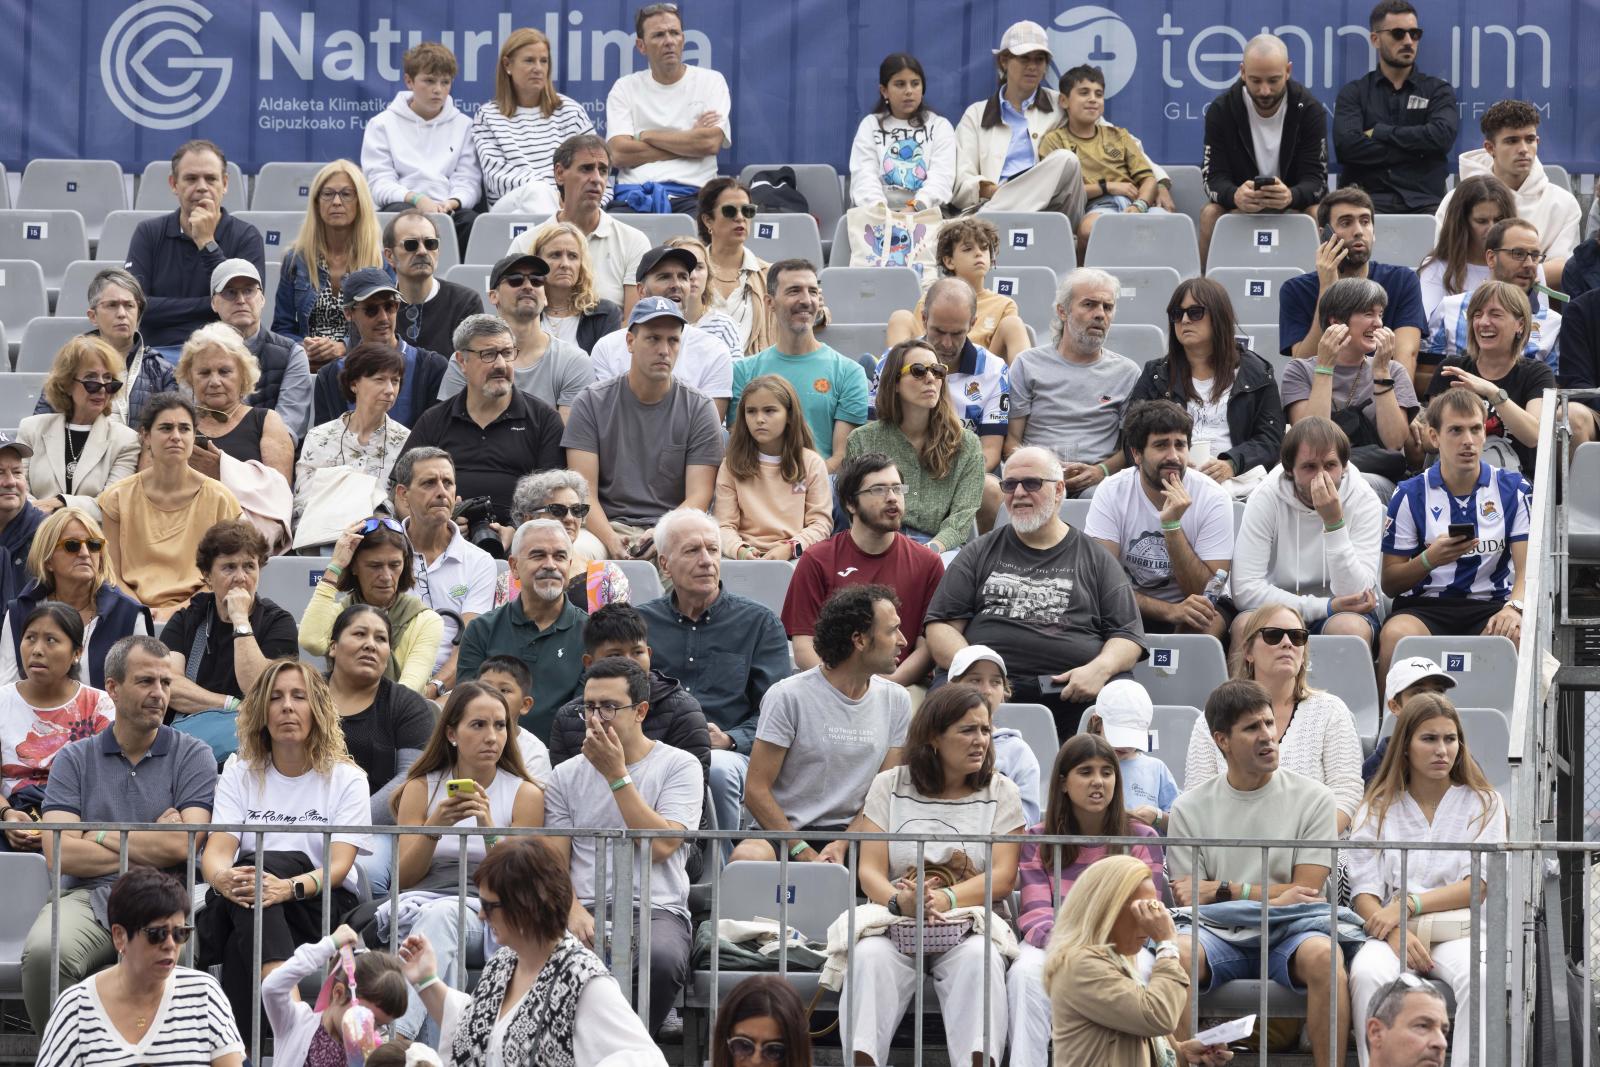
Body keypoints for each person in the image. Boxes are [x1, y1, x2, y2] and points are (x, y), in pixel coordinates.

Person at [22, 637, 215, 1032]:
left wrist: (94, 834)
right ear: (113, 687)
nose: (159, 694)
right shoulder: (75, 758)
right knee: (45, 954)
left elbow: (183, 843)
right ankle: (71, 1053)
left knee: (186, 957)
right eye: (146, 681)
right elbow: (60, 854)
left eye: (166, 683)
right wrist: (149, 841)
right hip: (87, 895)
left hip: (169, 894)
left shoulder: (194, 754)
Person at [1168, 679, 1350, 1067]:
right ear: (1222, 740)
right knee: (1176, 955)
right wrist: (1271, 894)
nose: (1268, 736)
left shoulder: (1316, 798)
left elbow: (1306, 891)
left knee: (1325, 957)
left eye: (1270, 723)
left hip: (1290, 929)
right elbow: (1187, 897)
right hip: (1218, 934)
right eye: (1252, 728)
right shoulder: (1188, 808)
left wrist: (1225, 889)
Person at [844, 683, 1025, 1067]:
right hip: (898, 921)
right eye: (967, 730)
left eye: (985, 730)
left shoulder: (1002, 790)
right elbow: (869, 870)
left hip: (970, 924)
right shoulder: (889, 784)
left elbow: (1005, 875)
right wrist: (900, 901)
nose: (980, 741)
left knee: (980, 960)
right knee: (869, 959)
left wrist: (947, 899)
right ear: (933, 737)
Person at [198, 660, 368, 1035]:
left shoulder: (347, 779)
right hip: (245, 898)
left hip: (318, 906)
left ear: (317, 709)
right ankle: (291, 1022)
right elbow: (217, 851)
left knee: (255, 891)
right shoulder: (239, 772)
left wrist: (285, 887)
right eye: (275, 698)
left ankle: (246, 1052)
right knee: (252, 882)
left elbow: (338, 868)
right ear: (261, 711)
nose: (287, 706)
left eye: (299, 697)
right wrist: (223, 879)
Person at [926, 446, 1145, 736]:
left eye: (1031, 483)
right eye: (1009, 484)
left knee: (1121, 696)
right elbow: (940, 626)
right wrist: (980, 674)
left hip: (1072, 692)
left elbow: (1127, 635)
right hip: (982, 691)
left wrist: (1100, 670)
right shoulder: (978, 552)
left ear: (1059, 491)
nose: (1018, 493)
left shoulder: (1095, 557)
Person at [397, 837, 666, 1067]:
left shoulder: (583, 979)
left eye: (489, 906)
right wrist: (426, 981)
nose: (480, 915)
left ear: (525, 905)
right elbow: (476, 1031)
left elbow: (642, 1059)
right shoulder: (503, 962)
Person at [545, 655, 702, 1035]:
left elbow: (663, 846)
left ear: (641, 711)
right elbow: (553, 862)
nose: (596, 718)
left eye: (610, 707)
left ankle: (619, 1051)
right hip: (584, 906)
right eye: (589, 707)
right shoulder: (564, 776)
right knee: (547, 958)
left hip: (656, 908)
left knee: (661, 959)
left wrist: (617, 775)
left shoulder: (679, 765)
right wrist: (572, 909)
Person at [1348, 692, 1505, 1067]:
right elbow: (1363, 893)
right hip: (1393, 932)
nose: (1442, 750)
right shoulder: (1378, 804)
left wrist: (1408, 905)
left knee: (1480, 976)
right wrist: (1395, 930)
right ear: (1405, 747)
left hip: (1460, 931)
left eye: (1450, 739)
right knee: (1366, 973)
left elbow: (1478, 885)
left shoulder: (1485, 802)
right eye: (1429, 739)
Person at [385, 681, 543, 1040]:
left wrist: (488, 827)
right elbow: (404, 878)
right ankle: (445, 1055)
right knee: (440, 928)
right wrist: (434, 828)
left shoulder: (525, 792)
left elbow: (521, 883)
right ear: (452, 733)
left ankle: (397, 1041)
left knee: (441, 920)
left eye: (500, 725)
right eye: (479, 725)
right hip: (426, 901)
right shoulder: (421, 787)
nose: (492, 736)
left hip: (495, 911)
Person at [638, 508, 792, 837]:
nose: (707, 560)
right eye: (692, 550)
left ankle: (720, 881)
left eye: (712, 549)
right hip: (654, 748)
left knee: (716, 769)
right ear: (664, 564)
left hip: (727, 754)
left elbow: (776, 711)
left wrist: (731, 739)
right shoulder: (640, 625)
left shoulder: (759, 623)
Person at [732, 584, 911, 864]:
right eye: (891, 630)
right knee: (746, 858)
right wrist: (800, 850)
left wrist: (843, 844)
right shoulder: (787, 695)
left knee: (904, 862)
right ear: (859, 640)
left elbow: (883, 792)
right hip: (784, 832)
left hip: (857, 834)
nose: (902, 640)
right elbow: (756, 790)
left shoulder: (898, 700)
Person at [1378, 388, 1531, 678]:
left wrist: (1514, 607)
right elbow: (1390, 583)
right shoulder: (1410, 494)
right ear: (1434, 437)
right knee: (1395, 636)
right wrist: (1429, 560)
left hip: (1490, 606)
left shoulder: (1513, 489)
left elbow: (1526, 570)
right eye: (1456, 431)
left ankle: (1515, 724)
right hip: (1424, 608)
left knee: (1518, 635)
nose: (1468, 441)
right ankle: (1391, 721)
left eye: (1476, 429)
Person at [564, 297, 724, 560]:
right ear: (630, 342)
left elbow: (700, 494)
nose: (664, 349)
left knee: (698, 562)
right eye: (653, 338)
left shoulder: (698, 407)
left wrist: (662, 532)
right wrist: (611, 540)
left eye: (673, 340)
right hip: (604, 527)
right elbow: (583, 493)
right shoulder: (591, 402)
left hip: (675, 527)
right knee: (574, 554)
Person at [34, 867, 244, 1067]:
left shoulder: (204, 993)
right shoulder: (76, 1006)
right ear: (119, 936)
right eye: (157, 934)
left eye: (181, 933)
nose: (170, 944)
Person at [1040, 854, 1231, 1067]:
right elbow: (1158, 1017)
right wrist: (1167, 943)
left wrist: (1180, 1053)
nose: (1148, 923)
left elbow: (1133, 1034)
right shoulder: (1080, 965)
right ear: (1107, 910)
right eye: (1142, 911)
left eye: (1153, 910)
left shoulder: (1118, 961)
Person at [1189, 604, 1366, 827]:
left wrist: (1297, 848)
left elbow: (1346, 795)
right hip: (1231, 849)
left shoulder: (1331, 711)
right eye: (1273, 635)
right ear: (1248, 652)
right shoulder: (1214, 716)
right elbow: (1197, 799)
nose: (1287, 643)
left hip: (1317, 851)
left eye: (1297, 637)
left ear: (1304, 654)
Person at [781, 453, 943, 685]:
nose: (892, 498)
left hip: (904, 688)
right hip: (831, 687)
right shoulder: (817, 559)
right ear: (849, 502)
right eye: (878, 490)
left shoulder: (928, 563)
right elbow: (804, 646)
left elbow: (927, 648)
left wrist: (887, 687)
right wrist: (845, 685)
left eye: (897, 489)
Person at [1085, 400, 1235, 640]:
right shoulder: (1112, 491)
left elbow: (1206, 592)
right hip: (1129, 601)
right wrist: (1170, 611)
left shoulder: (1213, 497)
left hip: (1197, 604)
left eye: (1180, 445)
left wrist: (1172, 527)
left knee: (1203, 621)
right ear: (1136, 453)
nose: (1173, 456)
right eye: (1161, 445)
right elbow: (1102, 584)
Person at [1232, 417, 1385, 644]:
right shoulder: (1266, 496)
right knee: (1245, 626)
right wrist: (1325, 607)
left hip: (1343, 611)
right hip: (1279, 604)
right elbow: (1245, 590)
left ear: (1343, 467)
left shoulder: (1363, 498)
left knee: (1349, 629)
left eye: (1330, 465)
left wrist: (1334, 524)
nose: (1321, 477)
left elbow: (1356, 593)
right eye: (1309, 467)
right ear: (1289, 470)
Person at [403, 313, 566, 525]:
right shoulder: (434, 421)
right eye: (488, 354)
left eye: (507, 353)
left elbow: (554, 500)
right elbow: (402, 494)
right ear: (462, 361)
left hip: (522, 543)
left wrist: (519, 534)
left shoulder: (544, 421)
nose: (500, 364)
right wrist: (440, 527)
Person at [1423, 279, 1592, 474]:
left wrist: (1493, 392)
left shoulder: (1536, 374)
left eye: (1495, 314)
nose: (1484, 322)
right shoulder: (1452, 369)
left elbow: (1534, 435)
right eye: (1477, 315)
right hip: (1455, 482)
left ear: (1520, 324)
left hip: (1514, 490)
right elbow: (1429, 441)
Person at [98, 394, 241, 621]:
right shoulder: (116, 497)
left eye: (184, 429)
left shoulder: (221, 499)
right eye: (165, 428)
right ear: (145, 435)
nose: (176, 436)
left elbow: (226, 572)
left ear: (194, 436)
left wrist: (174, 612)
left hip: (201, 614)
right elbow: (111, 573)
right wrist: (140, 611)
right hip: (129, 612)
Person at [1128, 277, 1285, 482]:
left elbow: (1270, 440)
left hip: (1236, 481)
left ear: (1218, 316)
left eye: (1195, 312)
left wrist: (1232, 463)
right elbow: (1132, 436)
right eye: (1177, 313)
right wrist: (1171, 462)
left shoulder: (1257, 373)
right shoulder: (1156, 374)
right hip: (1169, 478)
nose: (1184, 320)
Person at [1004, 268, 1139, 494]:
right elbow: (1011, 441)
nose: (1100, 314)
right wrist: (1040, 471)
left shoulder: (1127, 372)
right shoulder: (1027, 364)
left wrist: (1101, 471)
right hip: (1036, 480)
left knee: (1100, 496)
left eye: (1107, 307)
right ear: (1062, 311)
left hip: (1097, 482)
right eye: (1089, 304)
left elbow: (1132, 448)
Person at [1281, 276, 1421, 494]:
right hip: (1316, 475)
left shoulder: (1393, 370)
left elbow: (1394, 442)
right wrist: (1325, 367)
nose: (1378, 323)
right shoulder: (1300, 370)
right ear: (1336, 322)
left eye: (1380, 314)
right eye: (1368, 314)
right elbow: (1310, 439)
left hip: (1376, 479)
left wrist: (1381, 372)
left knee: (1350, 484)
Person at [846, 339, 986, 554]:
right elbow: (857, 510)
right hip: (877, 543)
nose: (930, 378)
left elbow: (961, 519)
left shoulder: (967, 444)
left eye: (937, 371)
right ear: (895, 383)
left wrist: (930, 550)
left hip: (939, 548)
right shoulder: (862, 440)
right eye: (918, 371)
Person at [1199, 33, 1328, 264]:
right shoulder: (1221, 110)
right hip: (1241, 206)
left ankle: (1323, 290)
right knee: (1210, 214)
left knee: (1317, 213)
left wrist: (1291, 195)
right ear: (1242, 72)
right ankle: (1205, 294)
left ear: (1288, 71)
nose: (1265, 91)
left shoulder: (1309, 109)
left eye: (1274, 80)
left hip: (1292, 206)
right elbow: (1213, 178)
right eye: (1256, 80)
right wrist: (1235, 195)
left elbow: (1317, 181)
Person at [126, 140, 265, 352]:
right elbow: (137, 307)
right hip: (157, 354)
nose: (201, 187)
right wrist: (212, 304)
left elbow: (245, 308)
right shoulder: (149, 233)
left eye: (211, 179)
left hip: (225, 354)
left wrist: (207, 242)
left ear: (225, 184)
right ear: (174, 184)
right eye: (191, 179)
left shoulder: (247, 236)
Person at [455, 520, 588, 742]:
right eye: (538, 555)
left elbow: (582, 718)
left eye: (560, 556)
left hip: (564, 758)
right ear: (514, 567)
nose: (550, 565)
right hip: (493, 756)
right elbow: (467, 709)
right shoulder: (481, 630)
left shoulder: (591, 633)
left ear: (570, 565)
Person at [730, 259, 868, 470]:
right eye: (794, 291)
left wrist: (802, 486)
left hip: (821, 490)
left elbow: (842, 458)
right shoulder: (743, 372)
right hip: (757, 489)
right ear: (770, 303)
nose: (806, 300)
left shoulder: (849, 372)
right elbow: (739, 448)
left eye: (813, 292)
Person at [1282, 187, 1428, 382]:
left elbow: (1405, 356)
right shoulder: (1296, 290)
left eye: (1365, 222)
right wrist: (1328, 288)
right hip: (1321, 396)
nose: (1359, 231)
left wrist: (1399, 406)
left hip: (1383, 393)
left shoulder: (1402, 281)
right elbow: (1303, 366)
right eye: (1346, 222)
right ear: (1324, 234)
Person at [546, 604, 711, 776]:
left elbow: (694, 798)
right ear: (589, 663)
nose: (629, 663)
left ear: (649, 654)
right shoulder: (568, 718)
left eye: (637, 652)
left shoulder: (682, 712)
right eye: (615, 655)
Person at [879, 278, 1010, 492]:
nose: (947, 344)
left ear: (973, 323)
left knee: (991, 489)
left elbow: (990, 451)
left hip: (959, 477)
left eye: (957, 333)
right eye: (938, 331)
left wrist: (946, 484)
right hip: (897, 478)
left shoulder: (994, 371)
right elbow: (875, 434)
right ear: (923, 318)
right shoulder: (889, 363)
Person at [0, 602, 115, 845]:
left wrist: (67, 828)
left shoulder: (100, 705)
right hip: (11, 816)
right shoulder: (2, 702)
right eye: (30, 638)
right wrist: (7, 816)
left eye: (51, 640)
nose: (37, 650)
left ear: (77, 653)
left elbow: (108, 780)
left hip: (80, 824)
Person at [0, 507, 153, 689]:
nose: (85, 553)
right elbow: (7, 687)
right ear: (48, 559)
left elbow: (144, 687)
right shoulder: (21, 612)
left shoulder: (128, 615)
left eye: (94, 545)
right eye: (72, 545)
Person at [1434, 100, 1581, 287]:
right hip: (1467, 304)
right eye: (1511, 141)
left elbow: (1564, 266)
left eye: (1529, 139)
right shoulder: (1454, 200)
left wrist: (1509, 278)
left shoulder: (1563, 202)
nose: (1523, 149)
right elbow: (1445, 261)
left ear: (1537, 142)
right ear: (1490, 148)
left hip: (1533, 307)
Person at [389, 448, 498, 698]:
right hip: (389, 678)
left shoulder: (480, 561)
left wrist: (432, 689)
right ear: (403, 495)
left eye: (447, 483)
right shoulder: (383, 554)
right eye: (429, 483)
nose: (441, 492)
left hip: (449, 688)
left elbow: (469, 644)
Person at [950, 20, 1087, 218]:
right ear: (1003, 61)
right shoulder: (977, 114)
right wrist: (993, 191)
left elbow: (1114, 139)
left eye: (1039, 60)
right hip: (994, 204)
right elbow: (961, 181)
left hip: (1053, 212)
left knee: (1066, 160)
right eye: (1024, 58)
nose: (1032, 66)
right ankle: (998, 212)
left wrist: (1147, 185)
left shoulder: (1063, 104)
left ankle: (990, 216)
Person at [1333, 0, 1458, 215]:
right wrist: (1419, 152)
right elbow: (1347, 146)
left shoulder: (1438, 90)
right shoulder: (1354, 93)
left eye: (1414, 33)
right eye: (1398, 33)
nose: (1408, 41)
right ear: (1375, 39)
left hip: (1425, 204)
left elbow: (1441, 136)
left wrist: (1380, 132)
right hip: (1364, 205)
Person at [161, 520, 297, 716]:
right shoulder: (186, 619)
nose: (241, 577)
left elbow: (261, 690)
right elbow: (168, 685)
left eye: (250, 566)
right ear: (207, 576)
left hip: (253, 739)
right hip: (190, 735)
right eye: (229, 567)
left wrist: (240, 618)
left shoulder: (278, 622)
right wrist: (229, 705)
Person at [604, 3, 731, 213]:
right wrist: (688, 140)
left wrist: (645, 135)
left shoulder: (711, 81)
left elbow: (709, 143)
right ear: (641, 45)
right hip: (635, 196)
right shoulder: (624, 87)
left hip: (694, 196)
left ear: (683, 39)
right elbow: (618, 154)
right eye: (659, 35)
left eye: (674, 33)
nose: (669, 41)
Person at [299, 517, 444, 693]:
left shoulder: (427, 620)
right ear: (354, 567)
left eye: (394, 565)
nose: (386, 576)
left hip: (398, 716)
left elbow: (409, 690)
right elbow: (311, 641)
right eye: (374, 566)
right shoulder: (339, 614)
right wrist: (335, 565)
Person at [506, 134, 650, 311]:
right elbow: (512, 315)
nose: (596, 179)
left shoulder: (633, 242)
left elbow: (633, 323)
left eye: (603, 170)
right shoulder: (525, 243)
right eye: (586, 169)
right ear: (559, 174)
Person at [588, 245, 736, 415]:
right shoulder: (607, 347)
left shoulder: (714, 351)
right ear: (641, 290)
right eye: (664, 277)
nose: (676, 285)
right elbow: (606, 420)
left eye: (683, 277)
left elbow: (708, 431)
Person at [362, 40, 482, 249]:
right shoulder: (381, 124)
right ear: (409, 81)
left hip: (448, 209)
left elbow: (468, 181)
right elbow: (378, 184)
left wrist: (452, 202)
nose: (438, 90)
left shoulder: (464, 125)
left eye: (445, 82)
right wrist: (416, 199)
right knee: (395, 216)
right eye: (429, 81)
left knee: (471, 220)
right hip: (402, 206)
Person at [272, 159, 386, 371]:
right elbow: (282, 326)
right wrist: (302, 346)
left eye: (346, 194)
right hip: (306, 366)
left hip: (362, 366)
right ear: (316, 202)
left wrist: (344, 347)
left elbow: (386, 327)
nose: (336, 202)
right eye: (327, 194)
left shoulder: (379, 262)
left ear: (360, 201)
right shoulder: (296, 259)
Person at [1038, 64, 1167, 252]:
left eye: (1098, 94)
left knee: (1171, 226)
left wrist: (1139, 205)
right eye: (1084, 93)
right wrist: (1108, 186)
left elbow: (1148, 179)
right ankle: (1082, 277)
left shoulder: (1119, 135)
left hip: (1136, 203)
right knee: (1090, 229)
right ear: (1064, 101)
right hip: (1097, 206)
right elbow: (1059, 193)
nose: (1093, 99)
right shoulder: (1054, 141)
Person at [30, 268, 179, 428]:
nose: (122, 313)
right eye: (112, 305)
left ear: (138, 314)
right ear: (93, 316)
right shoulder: (72, 363)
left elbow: (172, 429)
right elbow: (41, 428)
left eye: (129, 305)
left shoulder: (161, 370)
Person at [471, 27, 595, 212]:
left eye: (543, 61)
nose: (538, 68)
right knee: (537, 192)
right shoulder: (488, 116)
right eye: (529, 60)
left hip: (568, 206)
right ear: (507, 65)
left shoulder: (571, 112)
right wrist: (552, 193)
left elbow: (595, 167)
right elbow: (497, 179)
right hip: (508, 210)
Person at [311, 267, 451, 429]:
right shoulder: (330, 376)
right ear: (348, 313)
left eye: (390, 306)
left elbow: (439, 437)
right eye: (371, 310)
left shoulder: (432, 367)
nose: (383, 317)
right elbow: (325, 438)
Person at [294, 340, 412, 529]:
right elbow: (303, 504)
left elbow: (408, 509)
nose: (390, 390)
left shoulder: (407, 440)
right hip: (325, 537)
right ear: (354, 383)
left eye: (395, 381)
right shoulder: (319, 437)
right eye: (379, 379)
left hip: (383, 544)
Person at [20, 335, 141, 518]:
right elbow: (17, 492)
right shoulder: (31, 429)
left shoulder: (126, 440)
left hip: (93, 542)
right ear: (67, 385)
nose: (102, 388)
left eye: (108, 379)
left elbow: (112, 503)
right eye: (91, 379)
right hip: (36, 535)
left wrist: (61, 502)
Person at [461, 251, 594, 417]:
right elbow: (454, 428)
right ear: (493, 296)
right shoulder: (468, 357)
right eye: (515, 279)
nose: (528, 286)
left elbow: (565, 438)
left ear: (545, 297)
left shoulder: (573, 362)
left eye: (537, 280)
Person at [716, 374, 833, 560]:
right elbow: (724, 525)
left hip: (795, 558)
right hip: (741, 558)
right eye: (751, 411)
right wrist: (740, 550)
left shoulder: (811, 463)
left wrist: (790, 549)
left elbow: (820, 524)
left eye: (769, 411)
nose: (759, 419)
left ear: (789, 415)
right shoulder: (731, 465)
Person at [1424, 219, 1563, 374]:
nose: (1529, 263)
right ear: (1491, 258)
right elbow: (1426, 377)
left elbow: (1552, 391)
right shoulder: (1450, 308)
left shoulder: (1554, 322)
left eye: (1535, 256)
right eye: (1518, 254)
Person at [260, 924, 410, 1067]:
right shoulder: (296, 1022)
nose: (371, 1030)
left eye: (379, 1026)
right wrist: (329, 944)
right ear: (338, 993)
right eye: (368, 1018)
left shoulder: (364, 1056)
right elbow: (272, 986)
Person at [886, 217, 1031, 365]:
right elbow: (920, 341)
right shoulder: (930, 300)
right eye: (968, 249)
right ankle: (893, 374)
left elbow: (998, 357)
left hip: (980, 375)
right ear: (949, 261)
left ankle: (1026, 382)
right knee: (901, 317)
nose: (978, 253)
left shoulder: (1004, 304)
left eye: (984, 248)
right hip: (931, 370)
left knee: (1013, 324)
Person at [176, 322, 296, 489]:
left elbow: (279, 492)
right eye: (204, 373)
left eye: (224, 371)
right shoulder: (175, 422)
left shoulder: (266, 421)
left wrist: (221, 471)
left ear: (243, 375)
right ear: (190, 377)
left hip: (243, 515)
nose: (214, 382)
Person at [207, 259, 314, 440]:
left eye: (248, 291)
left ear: (262, 299)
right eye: (230, 292)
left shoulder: (292, 354)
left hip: (268, 457)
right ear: (214, 303)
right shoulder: (197, 354)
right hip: (209, 449)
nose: (241, 300)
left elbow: (287, 430)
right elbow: (192, 417)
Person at [849, 52, 957, 214]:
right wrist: (881, 212)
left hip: (926, 213)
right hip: (878, 216)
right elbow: (864, 176)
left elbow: (942, 178)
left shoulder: (940, 126)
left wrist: (916, 206)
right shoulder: (870, 125)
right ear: (884, 91)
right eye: (900, 84)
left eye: (915, 84)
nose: (909, 91)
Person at [947, 644, 1042, 822]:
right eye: (975, 680)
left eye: (996, 682)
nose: (986, 690)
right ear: (951, 687)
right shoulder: (934, 742)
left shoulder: (1018, 752)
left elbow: (1025, 821)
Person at [384, 209, 483, 357]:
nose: (422, 251)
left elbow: (473, 367)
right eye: (411, 245)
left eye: (430, 243)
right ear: (390, 256)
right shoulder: (377, 306)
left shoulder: (465, 302)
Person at [1417, 174, 1517, 319]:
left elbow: (1540, 329)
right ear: (1462, 224)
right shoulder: (1436, 267)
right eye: (1481, 221)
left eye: (1499, 220)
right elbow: (1431, 330)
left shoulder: (1527, 265)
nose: (1492, 229)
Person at [1087, 679, 1179, 830]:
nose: (1126, 746)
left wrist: (1157, 817)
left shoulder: (1156, 769)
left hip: (1143, 852)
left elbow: (1181, 824)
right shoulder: (1080, 765)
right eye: (1118, 735)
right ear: (1097, 722)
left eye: (1133, 737)